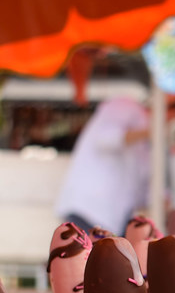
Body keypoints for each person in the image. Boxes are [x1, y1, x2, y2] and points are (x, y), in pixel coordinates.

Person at [55, 93, 151, 237]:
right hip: (88, 211)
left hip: (114, 222)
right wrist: (151, 132)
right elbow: (106, 139)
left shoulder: (155, 143)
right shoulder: (126, 106)